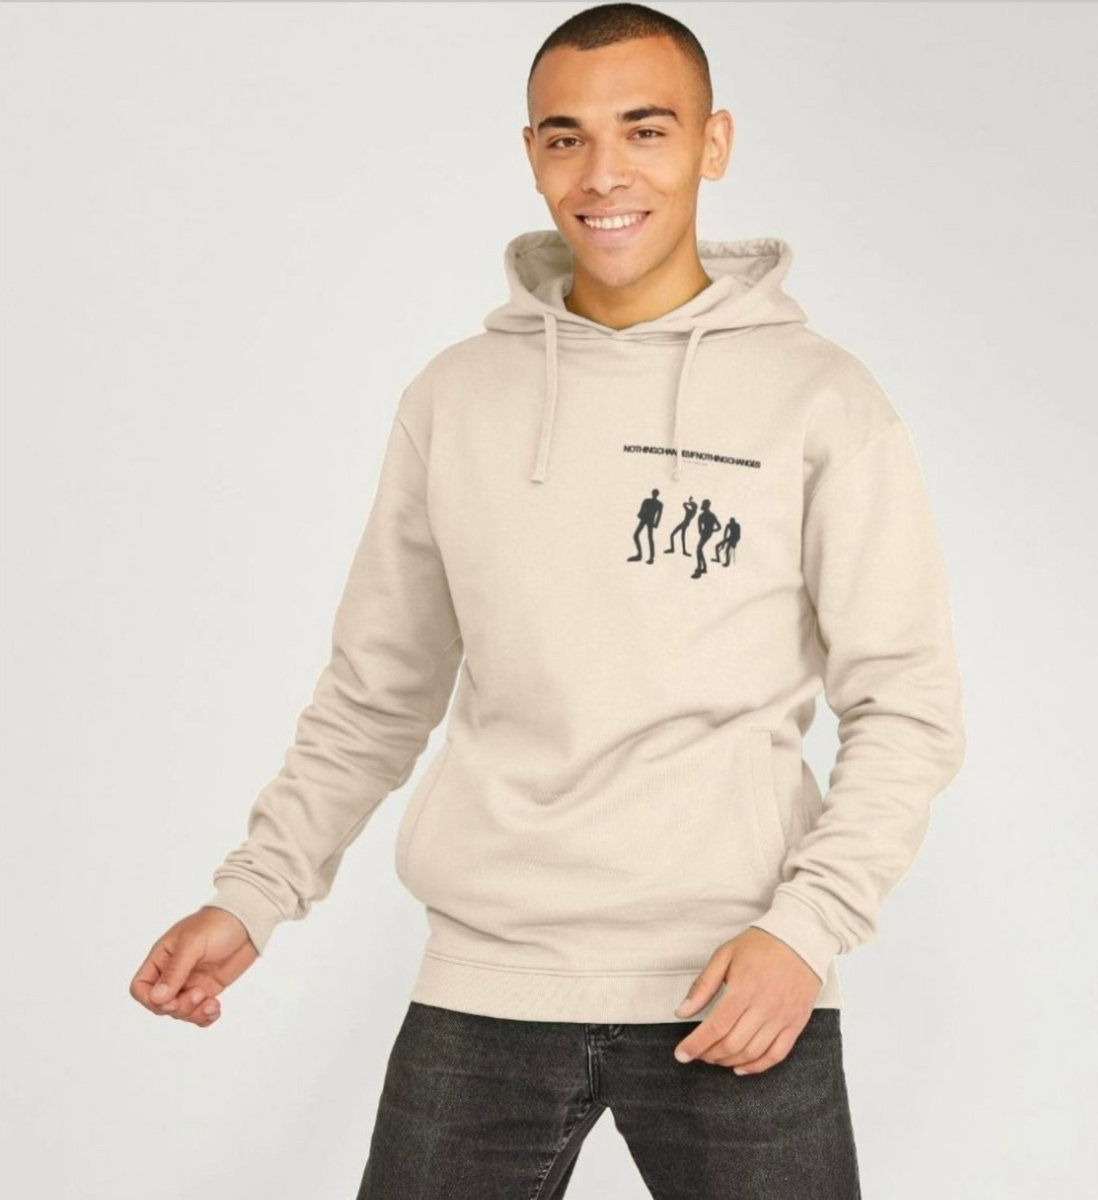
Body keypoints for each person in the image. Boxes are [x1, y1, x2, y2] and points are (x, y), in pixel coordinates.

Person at [129, 4, 967, 1196]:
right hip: (486, 987)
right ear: (532, 154)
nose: (604, 172)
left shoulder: (821, 400)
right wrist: (254, 896)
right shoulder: (456, 397)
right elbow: (377, 692)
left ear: (714, 143)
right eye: (567, 137)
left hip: (739, 984)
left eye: (645, 130)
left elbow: (908, 707)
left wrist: (805, 930)